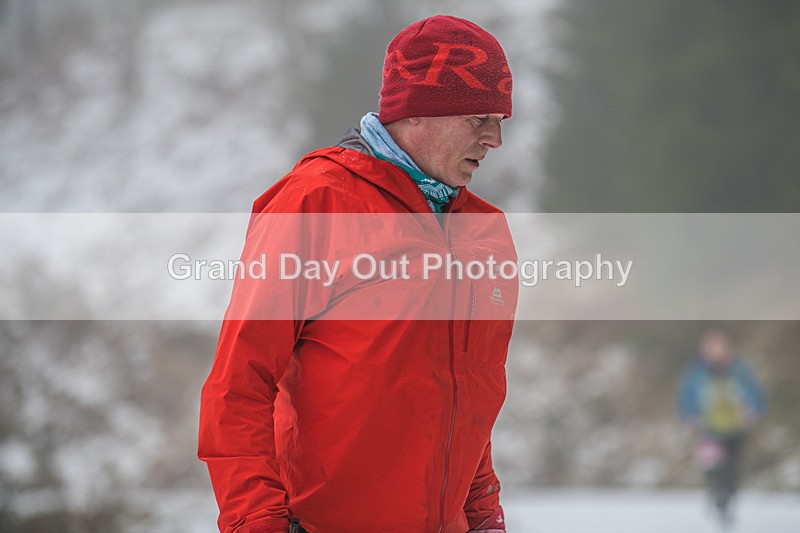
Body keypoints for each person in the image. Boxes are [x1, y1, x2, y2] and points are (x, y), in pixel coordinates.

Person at [199, 15, 517, 533]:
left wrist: (483, 514)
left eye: (500, 119)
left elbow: (464, 395)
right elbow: (237, 386)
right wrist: (256, 522)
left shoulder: (485, 230)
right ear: (419, 112)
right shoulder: (317, 202)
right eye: (479, 118)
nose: (495, 139)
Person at [677, 329, 765, 527]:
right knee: (716, 470)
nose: (716, 352)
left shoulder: (741, 370)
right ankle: (719, 501)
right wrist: (690, 418)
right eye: (711, 348)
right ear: (704, 351)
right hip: (708, 430)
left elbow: (756, 393)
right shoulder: (696, 372)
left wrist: (752, 412)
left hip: (736, 428)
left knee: (733, 470)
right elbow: (685, 397)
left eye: (720, 347)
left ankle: (727, 501)